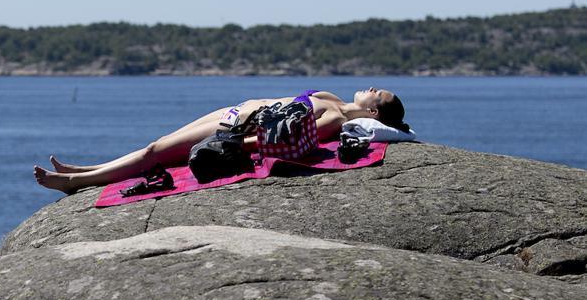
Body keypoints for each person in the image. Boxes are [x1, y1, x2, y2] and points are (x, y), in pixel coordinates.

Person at [34, 87, 406, 193]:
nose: (372, 87)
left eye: (379, 94)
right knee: (161, 142)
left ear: (374, 113)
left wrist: (238, 145)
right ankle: (88, 168)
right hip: (234, 110)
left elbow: (284, 138)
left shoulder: (336, 115)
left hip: (237, 127)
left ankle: (75, 182)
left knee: (157, 153)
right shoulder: (333, 97)